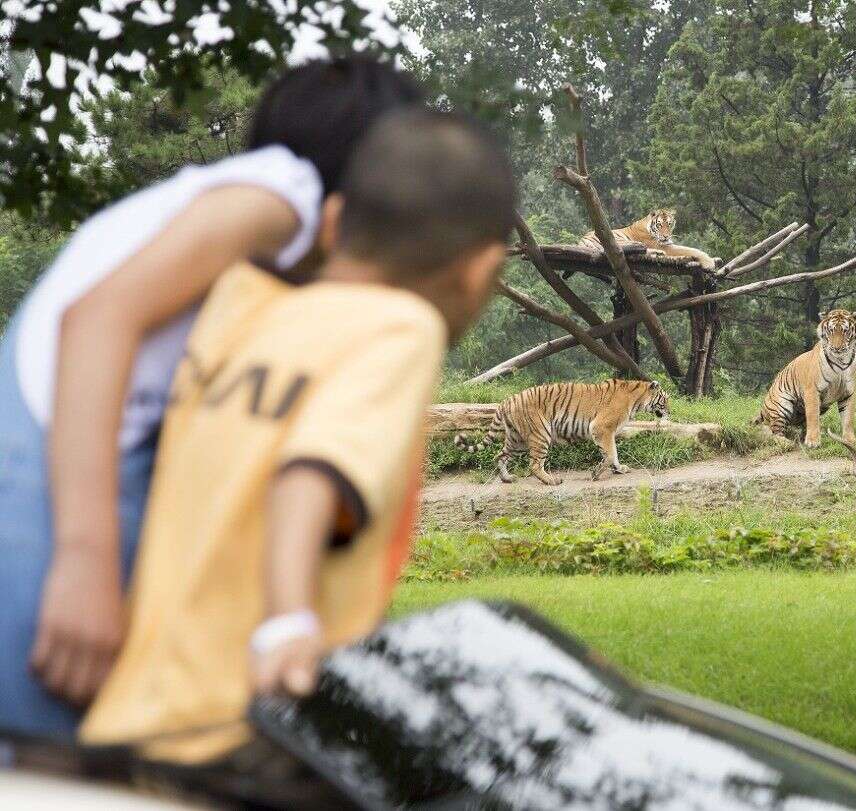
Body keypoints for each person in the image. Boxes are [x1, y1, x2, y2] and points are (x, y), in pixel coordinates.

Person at [0, 57, 425, 739]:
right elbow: (98, 319)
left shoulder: (235, 212)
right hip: (49, 493)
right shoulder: (282, 193)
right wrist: (84, 560)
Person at [78, 108, 516, 765]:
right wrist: (288, 622)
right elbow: (311, 471)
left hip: (126, 719)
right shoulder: (400, 328)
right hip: (250, 728)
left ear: (335, 221)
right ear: (483, 270)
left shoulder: (240, 303)